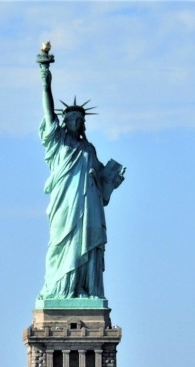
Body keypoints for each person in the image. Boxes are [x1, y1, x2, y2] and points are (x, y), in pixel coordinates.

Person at [37, 62, 125, 300]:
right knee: (62, 245)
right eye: (73, 119)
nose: (78, 122)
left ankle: (84, 289)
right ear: (65, 122)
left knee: (87, 244)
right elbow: (48, 113)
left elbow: (100, 184)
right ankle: (61, 290)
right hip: (65, 207)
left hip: (89, 208)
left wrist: (111, 182)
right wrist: (46, 82)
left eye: (80, 119)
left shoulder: (89, 149)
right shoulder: (58, 144)